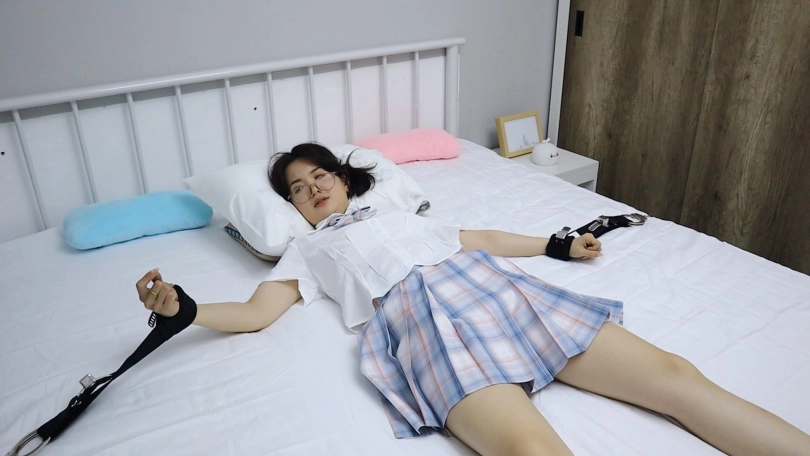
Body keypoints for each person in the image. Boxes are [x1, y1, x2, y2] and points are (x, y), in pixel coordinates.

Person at [136, 143, 810, 456]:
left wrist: (557, 244)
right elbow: (256, 313)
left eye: (320, 175)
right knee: (528, 451)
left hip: (497, 289)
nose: (313, 188)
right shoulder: (305, 251)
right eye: (297, 188)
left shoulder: (400, 215)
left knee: (676, 378)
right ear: (292, 206)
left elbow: (482, 238)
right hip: (422, 323)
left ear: (343, 179)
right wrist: (182, 309)